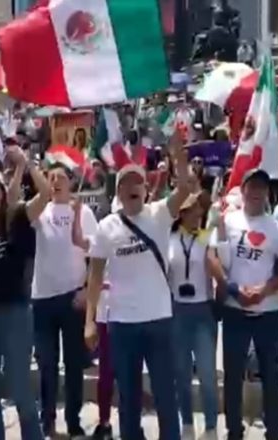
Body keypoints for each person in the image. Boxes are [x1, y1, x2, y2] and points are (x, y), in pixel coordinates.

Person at [84, 133, 191, 440]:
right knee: (128, 398)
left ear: (145, 189)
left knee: (164, 395)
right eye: (125, 184)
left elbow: (185, 189)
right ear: (118, 191)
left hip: (158, 320)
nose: (132, 188)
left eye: (138, 183)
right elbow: (94, 277)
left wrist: (177, 156)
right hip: (122, 324)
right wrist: (90, 322)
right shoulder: (106, 227)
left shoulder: (159, 214)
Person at [0, 146, 50, 440]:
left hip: (14, 312)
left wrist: (26, 166)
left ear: (3, 193)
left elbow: (46, 195)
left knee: (19, 387)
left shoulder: (17, 216)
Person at [208, 169, 278, 440]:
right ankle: (234, 429)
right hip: (235, 311)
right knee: (233, 376)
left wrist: (265, 289)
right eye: (252, 187)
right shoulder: (228, 221)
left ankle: (273, 430)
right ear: (243, 190)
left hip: (267, 312)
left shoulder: (277, 229)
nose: (256, 192)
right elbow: (211, 257)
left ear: (268, 193)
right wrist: (234, 289)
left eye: (262, 187)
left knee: (271, 376)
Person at [29, 163, 98, 438]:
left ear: (71, 182)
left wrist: (85, 289)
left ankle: (73, 420)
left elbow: (96, 253)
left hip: (73, 298)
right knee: (46, 363)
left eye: (61, 177)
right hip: (42, 299)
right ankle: (46, 418)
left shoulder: (84, 212)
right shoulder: (38, 210)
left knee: (73, 364)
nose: (56, 182)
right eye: (51, 177)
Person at [168, 194, 219, 439]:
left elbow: (216, 266)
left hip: (203, 310)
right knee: (181, 373)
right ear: (181, 212)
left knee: (208, 374)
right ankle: (186, 423)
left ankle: (211, 426)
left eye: (200, 209)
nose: (197, 214)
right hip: (177, 311)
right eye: (192, 209)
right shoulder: (169, 239)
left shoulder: (206, 238)